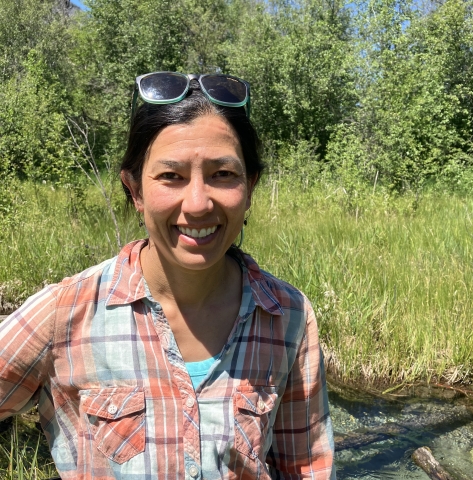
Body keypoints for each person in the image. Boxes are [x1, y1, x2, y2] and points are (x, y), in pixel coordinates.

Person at [0, 72, 336, 479]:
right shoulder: (65, 313)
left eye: (223, 174)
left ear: (250, 187)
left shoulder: (288, 316)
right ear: (135, 191)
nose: (197, 204)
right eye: (171, 176)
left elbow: (306, 467)